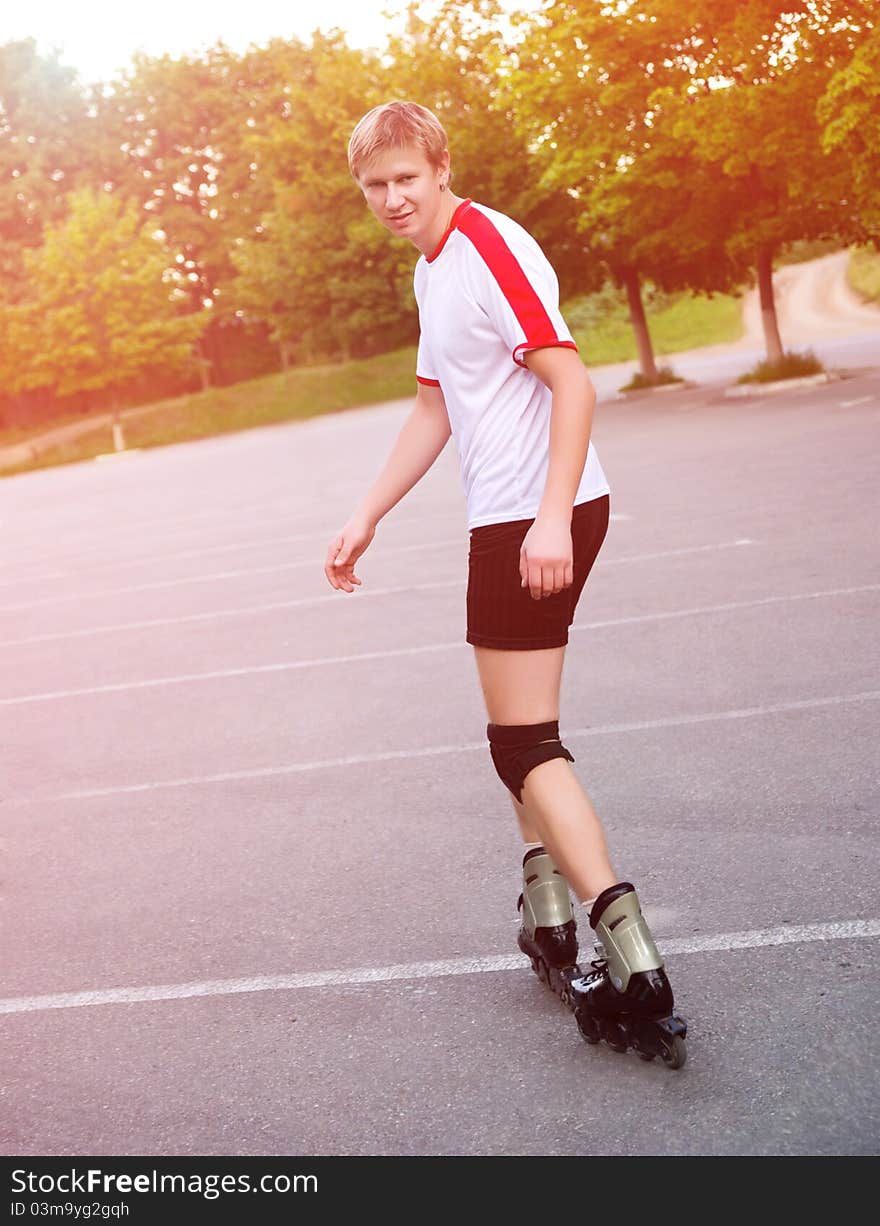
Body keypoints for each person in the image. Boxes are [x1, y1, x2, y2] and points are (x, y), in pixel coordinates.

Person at [323, 101, 686, 1068]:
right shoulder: (429, 268)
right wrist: (368, 512)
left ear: (441, 168)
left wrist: (554, 516)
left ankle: (629, 950)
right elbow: (432, 411)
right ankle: (548, 914)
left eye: (408, 177)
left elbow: (573, 381)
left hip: (537, 517)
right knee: (516, 736)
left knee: (525, 742)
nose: (394, 197)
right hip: (507, 518)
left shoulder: (486, 245)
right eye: (376, 185)